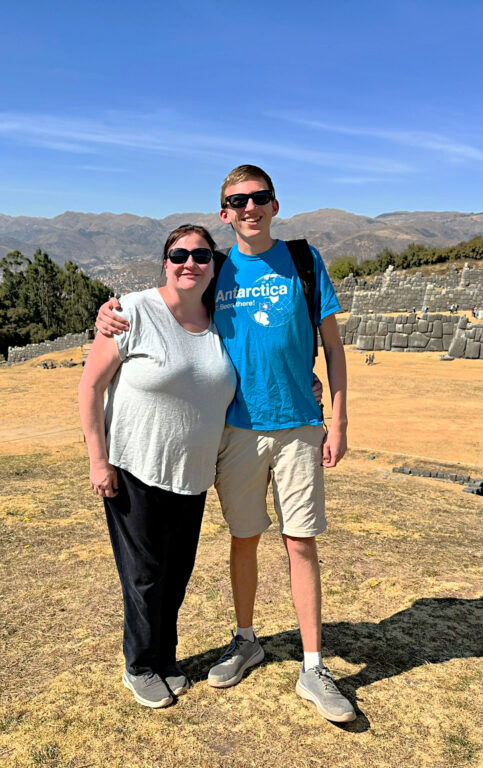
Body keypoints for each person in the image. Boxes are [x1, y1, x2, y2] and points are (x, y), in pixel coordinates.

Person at [96, 164, 354, 723]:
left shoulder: (305, 263)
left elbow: (331, 349)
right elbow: (171, 305)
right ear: (224, 213)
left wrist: (339, 418)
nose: (249, 208)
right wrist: (108, 315)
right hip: (236, 431)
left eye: (258, 198)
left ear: (275, 204)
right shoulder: (217, 271)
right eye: (237, 201)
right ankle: (245, 640)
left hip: (298, 426)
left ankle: (313, 665)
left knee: (301, 541)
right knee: (244, 538)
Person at [79, 225, 237, 709]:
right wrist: (97, 460)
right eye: (179, 254)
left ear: (214, 265)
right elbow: (90, 388)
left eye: (201, 255)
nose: (189, 263)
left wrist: (308, 383)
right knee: (144, 575)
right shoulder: (133, 312)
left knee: (177, 572)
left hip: (192, 474)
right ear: (165, 261)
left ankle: (164, 656)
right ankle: (140, 665)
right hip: (133, 468)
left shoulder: (224, 323)